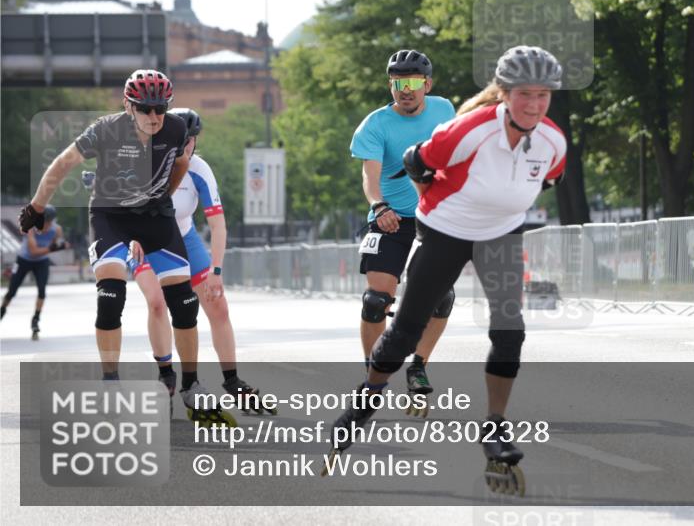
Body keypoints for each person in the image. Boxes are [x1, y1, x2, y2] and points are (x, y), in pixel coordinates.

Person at [325, 46, 568, 495]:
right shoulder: (472, 128)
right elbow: (417, 161)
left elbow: (546, 178)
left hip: (500, 235)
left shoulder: (554, 141)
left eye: (543, 95)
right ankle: (365, 401)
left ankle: (494, 429)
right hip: (445, 230)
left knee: (510, 331)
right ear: (504, 94)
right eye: (523, 95)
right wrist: (434, 201)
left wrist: (499, 206)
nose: (533, 105)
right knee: (404, 329)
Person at [18, 69, 231, 425]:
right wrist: (37, 206)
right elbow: (63, 163)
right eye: (145, 109)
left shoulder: (176, 130)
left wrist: (162, 194)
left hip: (154, 216)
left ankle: (188, 383)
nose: (154, 117)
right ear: (128, 106)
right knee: (110, 296)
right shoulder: (105, 129)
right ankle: (110, 383)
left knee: (184, 304)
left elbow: (179, 163)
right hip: (111, 216)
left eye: (160, 109)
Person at [130, 108, 274, 414]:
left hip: (185, 239)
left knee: (218, 306)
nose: (186, 147)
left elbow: (218, 224)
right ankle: (166, 373)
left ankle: (232, 380)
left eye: (191, 140)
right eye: (180, 140)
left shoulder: (198, 168)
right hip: (146, 241)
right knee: (158, 302)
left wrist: (216, 271)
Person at [349, 49, 457, 404]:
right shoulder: (375, 124)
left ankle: (418, 366)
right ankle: (372, 377)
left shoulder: (444, 110)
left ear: (427, 84)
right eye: (398, 83)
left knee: (443, 298)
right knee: (375, 300)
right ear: (390, 85)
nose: (405, 90)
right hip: (389, 218)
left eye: (412, 83)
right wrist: (379, 206)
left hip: (432, 217)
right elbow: (370, 177)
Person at [1, 205, 68, 340]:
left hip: (41, 262)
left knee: (42, 291)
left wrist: (56, 246)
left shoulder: (56, 229)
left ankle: (35, 320)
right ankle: (2, 311)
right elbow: (34, 251)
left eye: (50, 222)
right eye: (45, 222)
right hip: (24, 260)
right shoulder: (32, 228)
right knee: (12, 291)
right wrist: (54, 248)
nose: (48, 226)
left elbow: (56, 244)